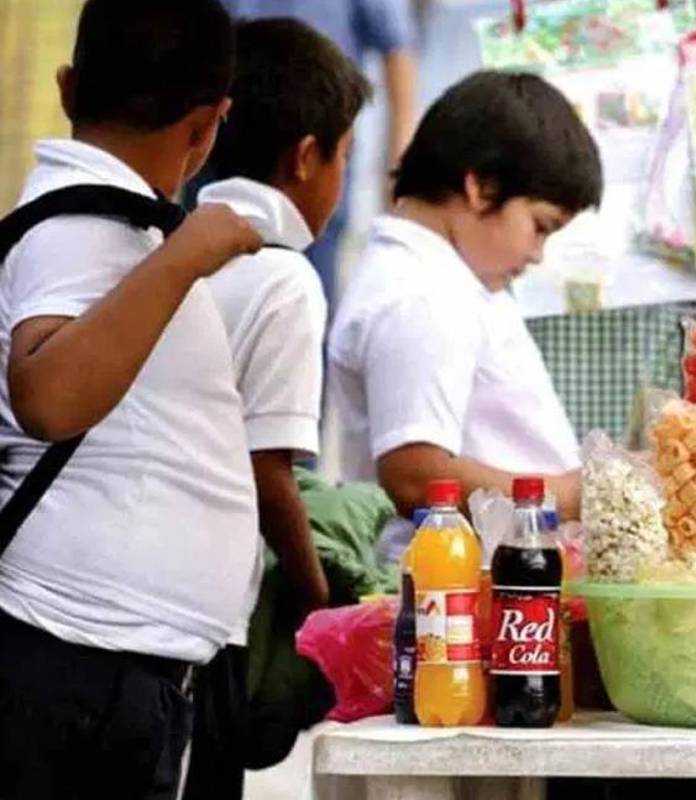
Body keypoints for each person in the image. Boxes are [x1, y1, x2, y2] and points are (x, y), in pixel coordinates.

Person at [0, 1, 263, 798]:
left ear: (68, 86)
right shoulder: (79, 226)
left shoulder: (121, 229)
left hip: (105, 671)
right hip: (71, 670)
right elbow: (47, 397)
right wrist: (183, 258)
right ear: (209, 126)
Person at [180, 18, 372, 799]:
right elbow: (268, 473)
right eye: (345, 159)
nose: (343, 183)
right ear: (305, 157)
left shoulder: (176, 242)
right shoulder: (285, 277)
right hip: (204, 619)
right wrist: (319, 598)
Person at [327, 70, 602, 520]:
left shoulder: (449, 280)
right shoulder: (421, 295)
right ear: (482, 187)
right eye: (540, 226)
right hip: (443, 583)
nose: (537, 255)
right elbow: (414, 476)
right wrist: (574, 499)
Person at [219, 0, 419, 306]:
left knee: (311, 284)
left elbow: (396, 46)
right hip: (224, 147)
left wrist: (399, 159)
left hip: (316, 160)